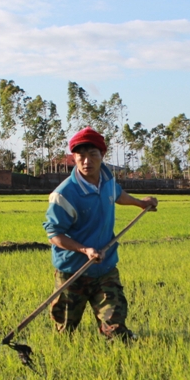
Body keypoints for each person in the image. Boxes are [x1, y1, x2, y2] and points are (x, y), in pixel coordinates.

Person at [42, 126, 157, 340]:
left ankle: (119, 355)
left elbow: (117, 194)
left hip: (105, 268)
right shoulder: (63, 195)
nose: (87, 161)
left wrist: (140, 203)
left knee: (115, 321)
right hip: (73, 271)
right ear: (74, 158)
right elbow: (54, 235)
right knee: (65, 330)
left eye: (92, 155)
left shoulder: (107, 181)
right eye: (81, 156)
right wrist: (84, 249)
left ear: (102, 155)